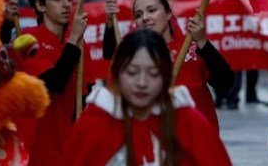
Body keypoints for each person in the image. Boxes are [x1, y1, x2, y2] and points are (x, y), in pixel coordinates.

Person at [62, 29, 232, 165]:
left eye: (153, 73)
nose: (142, 82)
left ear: (166, 75)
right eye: (132, 72)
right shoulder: (92, 124)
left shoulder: (188, 121)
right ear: (116, 73)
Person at [107, 0, 233, 134]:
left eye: (152, 10)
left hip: (197, 139)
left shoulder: (190, 47)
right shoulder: (132, 55)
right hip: (155, 143)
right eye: (138, 15)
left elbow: (225, 83)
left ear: (168, 13)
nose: (145, 18)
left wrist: (203, 42)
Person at [15, 0, 87, 166]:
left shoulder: (78, 43)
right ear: (40, 6)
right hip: (35, 145)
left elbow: (83, 97)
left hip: (66, 146)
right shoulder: (29, 39)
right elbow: (54, 82)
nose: (66, 5)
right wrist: (74, 41)